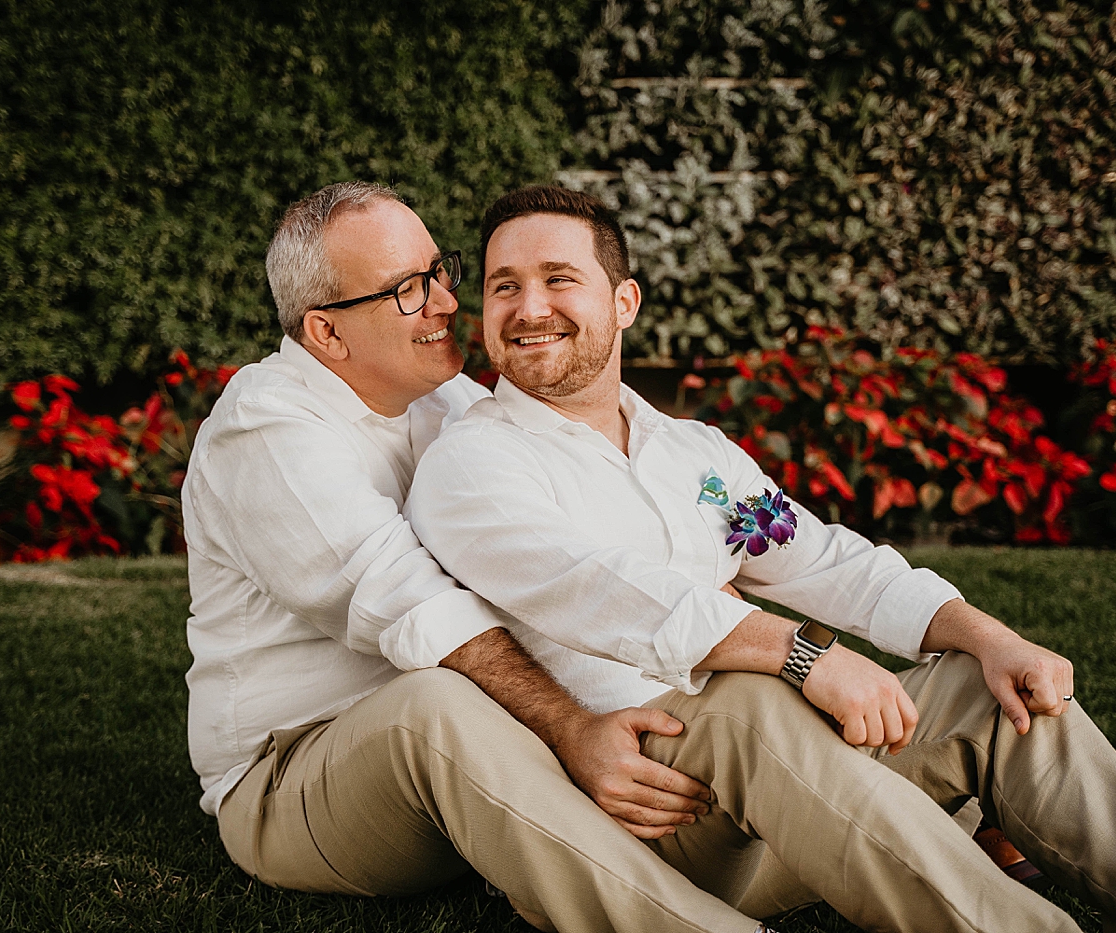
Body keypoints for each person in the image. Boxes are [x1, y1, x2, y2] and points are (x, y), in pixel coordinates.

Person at [406, 184, 1116, 933]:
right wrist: (806, 655)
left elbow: (820, 558)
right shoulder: (473, 462)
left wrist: (986, 634)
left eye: (559, 279)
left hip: (793, 784)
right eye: (503, 285)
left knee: (980, 687)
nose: (527, 307)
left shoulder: (690, 452)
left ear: (624, 300)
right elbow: (615, 593)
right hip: (659, 812)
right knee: (747, 701)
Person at [182, 180, 813, 933]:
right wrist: (570, 726)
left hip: (486, 751)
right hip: (295, 771)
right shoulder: (264, 427)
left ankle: (914, 816)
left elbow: (565, 554)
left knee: (694, 703)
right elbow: (410, 600)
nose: (449, 302)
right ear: (326, 332)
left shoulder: (445, 405)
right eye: (409, 290)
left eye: (440, 271)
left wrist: (715, 608)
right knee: (434, 705)